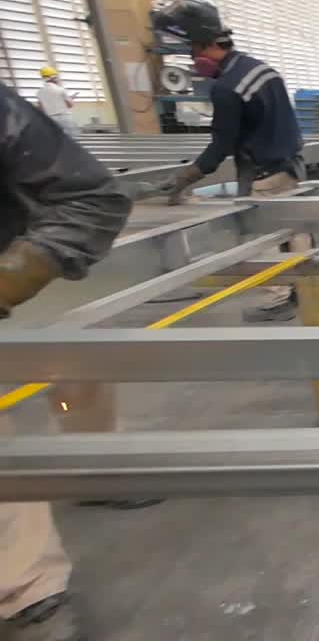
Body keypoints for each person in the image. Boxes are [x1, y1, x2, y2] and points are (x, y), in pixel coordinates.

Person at [1, 80, 133, 639]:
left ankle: (99, 467)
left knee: (69, 369)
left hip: (16, 253)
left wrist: (12, 278)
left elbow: (92, 197)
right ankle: (24, 578)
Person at [149, 0, 308, 322]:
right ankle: (307, 288)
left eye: (193, 51)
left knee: (260, 237)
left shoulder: (227, 87)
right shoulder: (261, 69)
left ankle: (278, 298)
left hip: (264, 174)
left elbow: (220, 146)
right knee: (296, 230)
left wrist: (183, 180)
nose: (193, 60)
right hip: (290, 164)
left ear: (206, 45)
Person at [35, 67, 75, 135]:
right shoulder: (60, 89)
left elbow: (40, 109)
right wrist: (71, 99)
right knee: (70, 139)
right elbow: (70, 105)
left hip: (51, 120)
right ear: (53, 77)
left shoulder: (39, 92)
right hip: (65, 118)